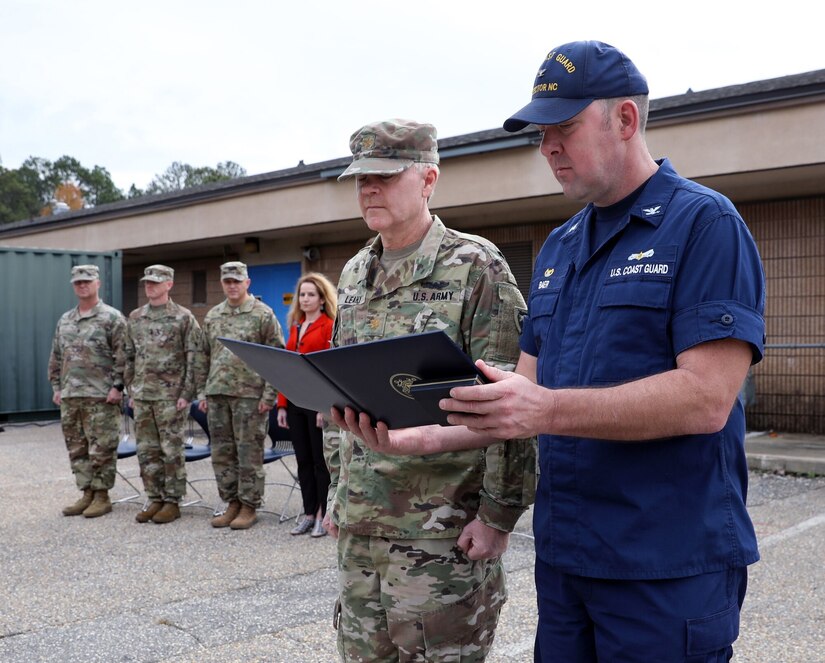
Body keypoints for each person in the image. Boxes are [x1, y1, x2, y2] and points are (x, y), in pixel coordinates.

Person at [354, 42, 767, 662]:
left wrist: (543, 410)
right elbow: (513, 397)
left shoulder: (704, 225)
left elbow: (707, 398)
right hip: (569, 558)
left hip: (665, 563)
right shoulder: (560, 248)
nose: (549, 146)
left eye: (565, 128)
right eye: (542, 133)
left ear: (625, 120)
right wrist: (421, 438)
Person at [326, 118, 537, 662]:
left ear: (428, 180)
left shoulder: (475, 267)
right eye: (360, 179)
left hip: (441, 531)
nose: (368, 188)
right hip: (361, 529)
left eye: (385, 176)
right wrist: (337, 493)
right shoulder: (354, 273)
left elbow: (513, 404)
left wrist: (497, 516)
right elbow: (340, 394)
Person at [199, 261, 284, 530]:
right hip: (217, 393)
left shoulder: (262, 314)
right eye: (228, 281)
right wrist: (203, 391)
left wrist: (269, 396)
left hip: (251, 396)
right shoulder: (213, 315)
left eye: (237, 281)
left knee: (249, 454)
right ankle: (231, 501)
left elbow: (276, 357)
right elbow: (204, 356)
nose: (232, 286)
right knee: (222, 453)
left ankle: (249, 505)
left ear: (247, 283)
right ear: (222, 284)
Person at [123, 265, 202, 524]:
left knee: (171, 450)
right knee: (146, 450)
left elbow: (194, 356)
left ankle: (172, 501)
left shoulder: (183, 317)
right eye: (147, 282)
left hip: (171, 396)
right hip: (144, 394)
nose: (150, 286)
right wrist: (131, 388)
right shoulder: (136, 317)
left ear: (169, 284)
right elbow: (129, 355)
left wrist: (187, 392)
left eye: (156, 282)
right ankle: (154, 497)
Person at [49, 264, 127, 518]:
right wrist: (57, 387)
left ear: (97, 284)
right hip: (71, 396)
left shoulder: (112, 318)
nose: (82, 286)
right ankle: (87, 493)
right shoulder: (66, 319)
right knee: (77, 447)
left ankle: (102, 495)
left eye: (87, 281)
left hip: (101, 396)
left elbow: (124, 356)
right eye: (78, 282)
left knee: (102, 447)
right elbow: (57, 356)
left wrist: (118, 387)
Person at [275, 272, 336, 538]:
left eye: (311, 294)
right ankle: (308, 512)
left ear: (322, 299)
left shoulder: (328, 325)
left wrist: (325, 405)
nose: (306, 299)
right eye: (303, 294)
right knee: (302, 460)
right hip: (294, 401)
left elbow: (329, 368)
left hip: (316, 403)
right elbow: (285, 368)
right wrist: (281, 405)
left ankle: (323, 514)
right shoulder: (295, 326)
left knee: (320, 461)